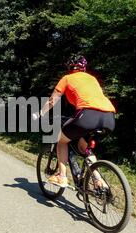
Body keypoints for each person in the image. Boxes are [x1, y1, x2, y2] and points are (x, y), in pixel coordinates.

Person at [33, 55, 116, 189]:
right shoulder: (92, 79)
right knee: (84, 147)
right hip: (109, 117)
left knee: (61, 140)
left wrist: (40, 113)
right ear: (83, 67)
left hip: (88, 115)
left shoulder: (67, 78)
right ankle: (99, 181)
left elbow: (52, 101)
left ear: (70, 67)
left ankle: (61, 176)